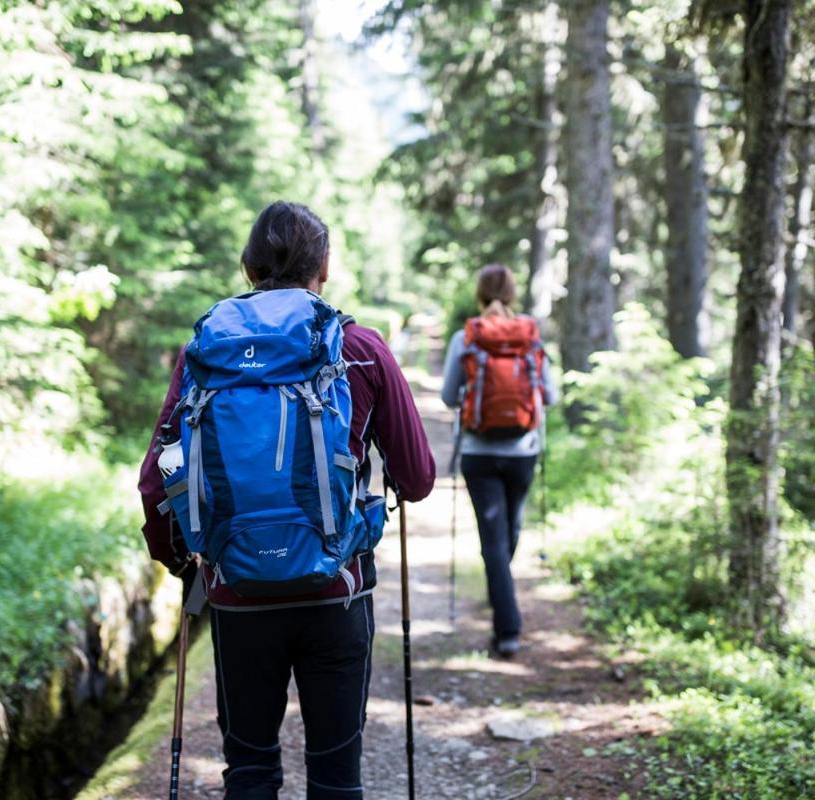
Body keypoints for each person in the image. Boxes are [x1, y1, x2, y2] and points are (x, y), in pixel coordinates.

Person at [138, 201, 435, 800]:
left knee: (249, 771)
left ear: (248, 267)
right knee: (334, 775)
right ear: (323, 266)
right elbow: (419, 476)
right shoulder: (358, 347)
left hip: (237, 591)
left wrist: (182, 557)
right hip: (336, 591)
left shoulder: (208, 351)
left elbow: (157, 478)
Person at [440, 264, 557, 658]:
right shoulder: (530, 336)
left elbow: (447, 395)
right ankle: (507, 625)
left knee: (493, 540)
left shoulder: (467, 336)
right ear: (511, 293)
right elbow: (551, 396)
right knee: (509, 532)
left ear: (479, 293)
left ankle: (505, 618)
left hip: (478, 451)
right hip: (524, 450)